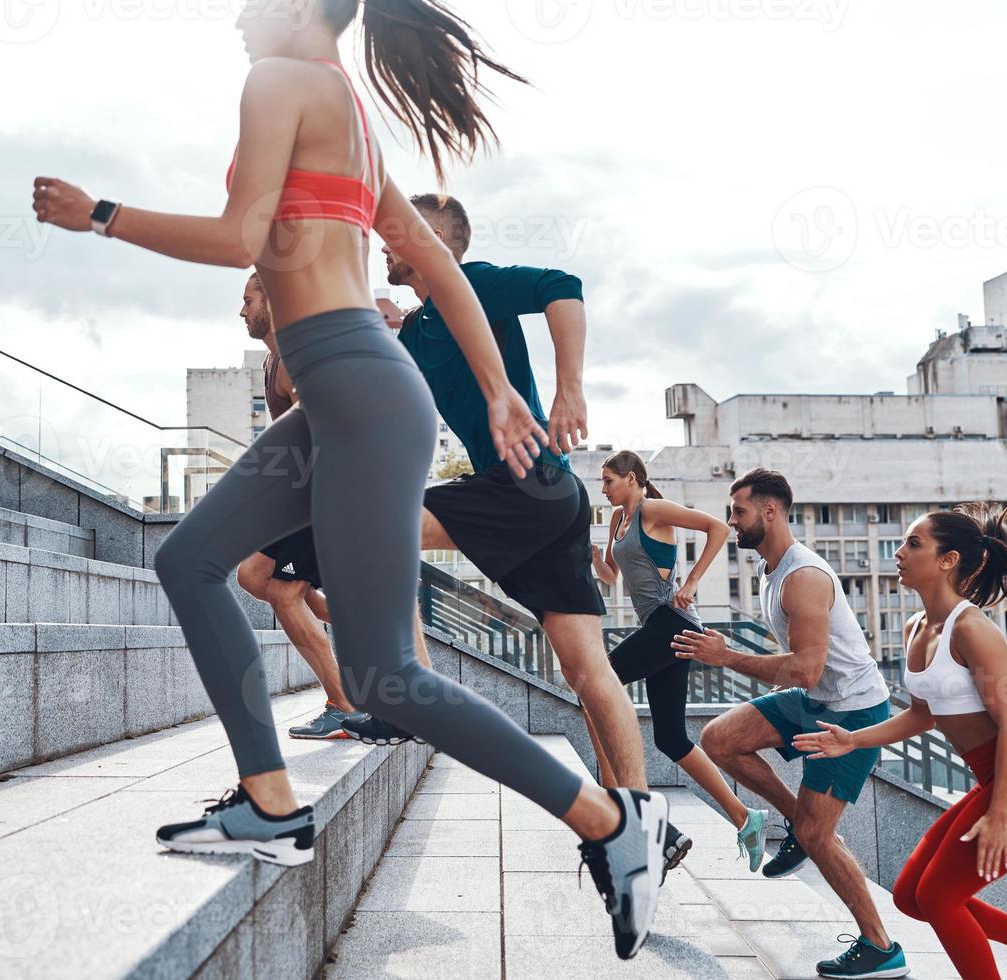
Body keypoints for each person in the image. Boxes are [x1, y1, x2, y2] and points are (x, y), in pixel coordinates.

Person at [32, 0, 669, 958]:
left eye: (250, 1)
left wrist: (103, 218)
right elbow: (431, 266)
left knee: (386, 677)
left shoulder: (280, 81)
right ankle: (269, 799)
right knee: (196, 560)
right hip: (347, 395)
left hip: (360, 393)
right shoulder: (350, 116)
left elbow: (244, 235)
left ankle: (615, 827)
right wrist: (496, 390)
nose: (237, 18)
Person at [333, 192, 689, 874]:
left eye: (393, 234)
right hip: (551, 499)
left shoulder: (473, 284)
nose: (384, 246)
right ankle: (645, 823)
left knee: (374, 526)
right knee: (588, 672)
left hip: (522, 487)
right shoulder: (419, 331)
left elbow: (564, 287)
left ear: (431, 238)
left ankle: (408, 692)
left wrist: (570, 388)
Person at [794, 503, 1007, 980]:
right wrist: (854, 739)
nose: (899, 552)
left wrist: (1000, 815)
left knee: (939, 897)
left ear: (947, 560)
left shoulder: (973, 629)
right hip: (994, 778)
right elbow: (923, 715)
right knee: (911, 894)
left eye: (914, 544)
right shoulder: (914, 629)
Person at [673, 469, 908, 978]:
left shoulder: (803, 576)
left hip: (852, 712)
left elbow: (805, 667)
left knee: (821, 836)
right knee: (720, 738)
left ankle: (882, 947)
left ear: (770, 511)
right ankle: (795, 828)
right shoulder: (771, 569)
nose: (730, 521)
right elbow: (804, 672)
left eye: (738, 511)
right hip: (814, 698)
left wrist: (726, 657)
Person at [593, 451, 768, 871]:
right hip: (662, 627)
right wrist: (594, 558)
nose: (603, 489)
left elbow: (716, 528)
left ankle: (618, 803)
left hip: (673, 622)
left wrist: (690, 582)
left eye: (607, 481)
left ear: (631, 478)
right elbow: (612, 577)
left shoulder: (653, 509)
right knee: (669, 739)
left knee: (597, 684)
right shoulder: (619, 521)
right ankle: (746, 817)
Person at [232, 273, 357, 740]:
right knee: (254, 577)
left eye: (248, 300)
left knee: (281, 590)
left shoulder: (297, 357)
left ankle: (343, 705)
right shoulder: (273, 359)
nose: (242, 311)